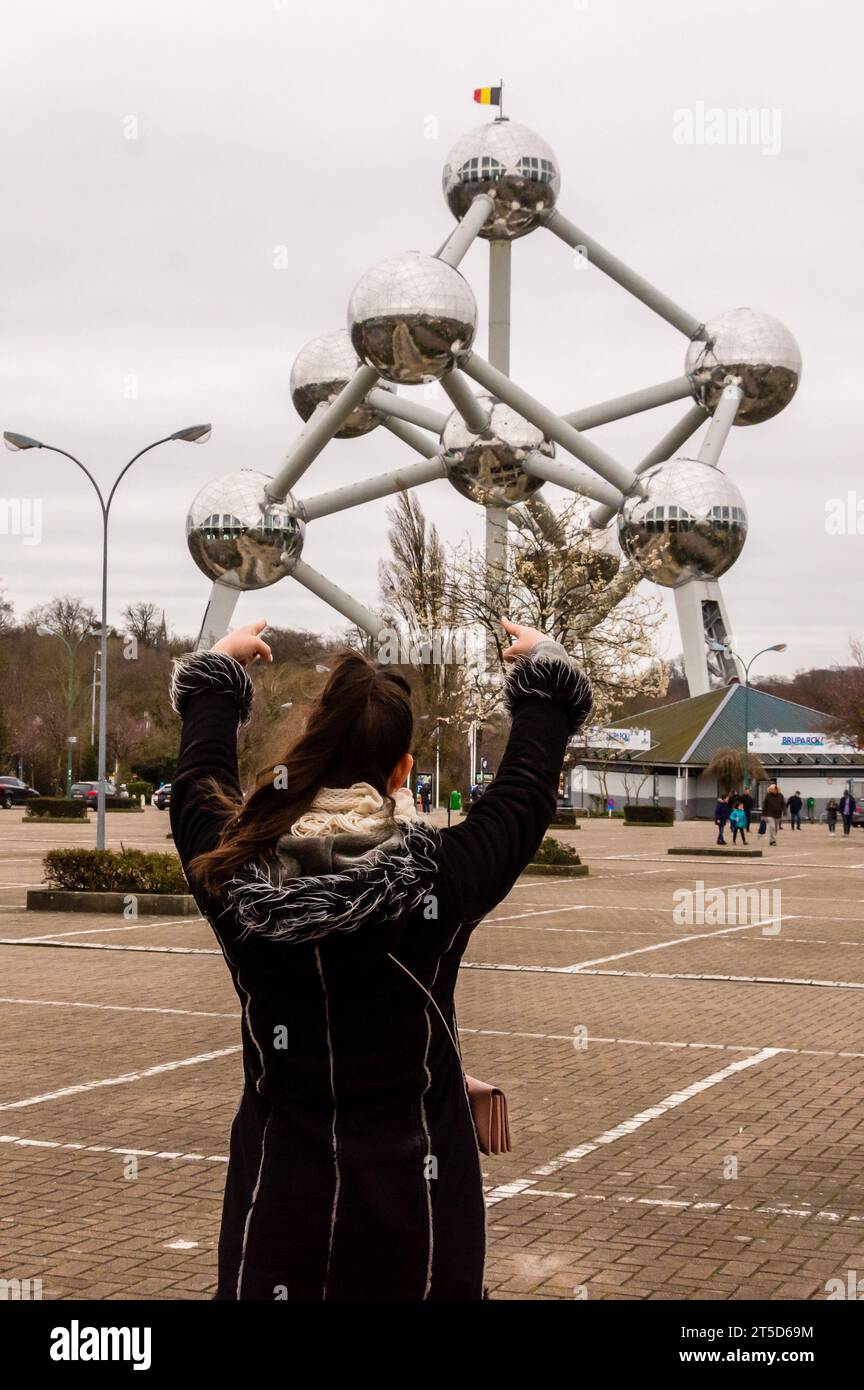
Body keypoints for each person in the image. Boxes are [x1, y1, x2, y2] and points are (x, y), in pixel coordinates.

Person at [168, 615, 591, 1301]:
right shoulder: (442, 879)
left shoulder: (231, 874)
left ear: (307, 752)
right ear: (402, 770)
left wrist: (217, 677)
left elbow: (196, 781)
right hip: (417, 1218)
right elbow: (524, 792)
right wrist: (544, 680)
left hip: (278, 1207)